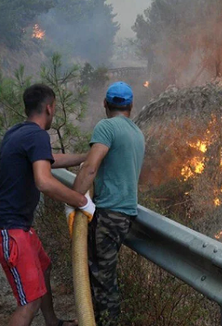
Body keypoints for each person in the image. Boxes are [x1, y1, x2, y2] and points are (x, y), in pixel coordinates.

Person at [0, 84, 95, 326]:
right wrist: (81, 201)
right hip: (8, 229)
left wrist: (87, 157)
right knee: (29, 303)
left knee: (44, 266)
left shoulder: (18, 132)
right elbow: (43, 182)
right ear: (49, 107)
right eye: (54, 107)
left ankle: (53, 322)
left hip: (16, 226)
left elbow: (51, 160)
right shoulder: (37, 135)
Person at [72, 81, 145, 325]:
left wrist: (74, 199)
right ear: (131, 106)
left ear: (105, 103)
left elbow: (90, 168)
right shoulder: (136, 133)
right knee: (106, 277)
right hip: (125, 215)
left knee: (102, 282)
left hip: (108, 214)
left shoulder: (106, 127)